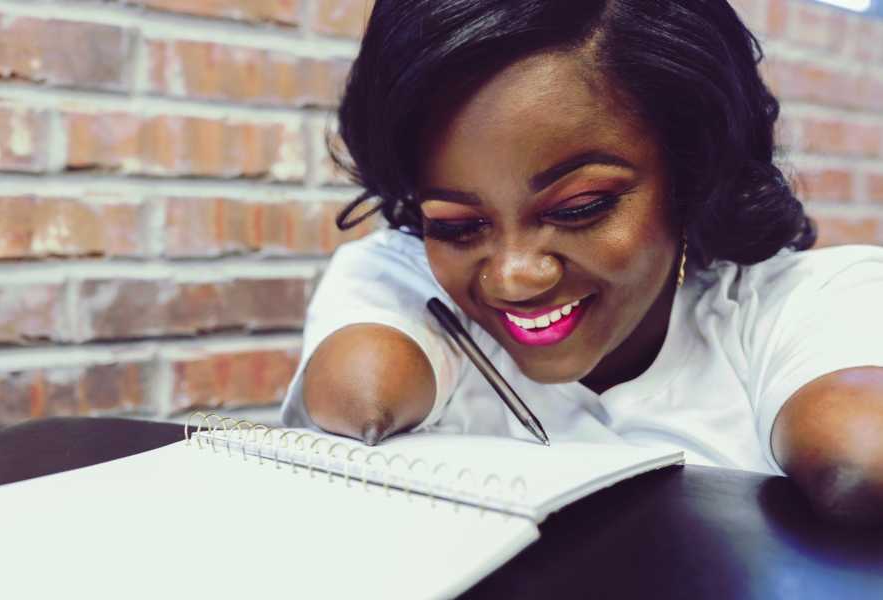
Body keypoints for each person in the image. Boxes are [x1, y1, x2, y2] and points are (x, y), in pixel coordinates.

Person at [281, 0, 883, 524]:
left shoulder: (811, 302)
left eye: (580, 207)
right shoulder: (402, 277)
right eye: (458, 225)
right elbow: (359, 397)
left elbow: (859, 460)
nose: (513, 275)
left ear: (693, 173)